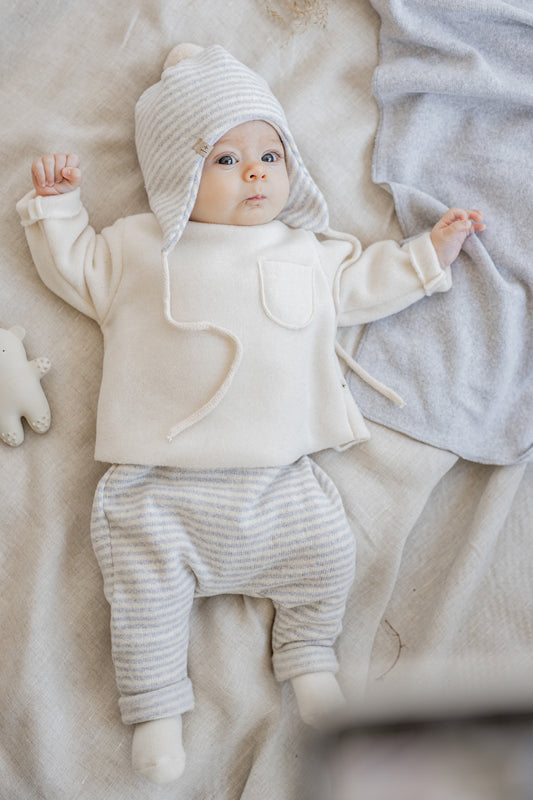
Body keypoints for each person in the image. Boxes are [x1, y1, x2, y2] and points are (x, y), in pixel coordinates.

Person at [16, 43, 484, 785]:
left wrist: (427, 254)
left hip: (278, 480)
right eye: (226, 161)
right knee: (139, 596)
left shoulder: (303, 251)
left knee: (326, 557)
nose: (257, 172)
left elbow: (364, 283)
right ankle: (156, 708)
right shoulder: (138, 250)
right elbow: (74, 266)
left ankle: (308, 659)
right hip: (157, 487)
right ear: (175, 177)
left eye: (270, 153)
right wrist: (56, 207)